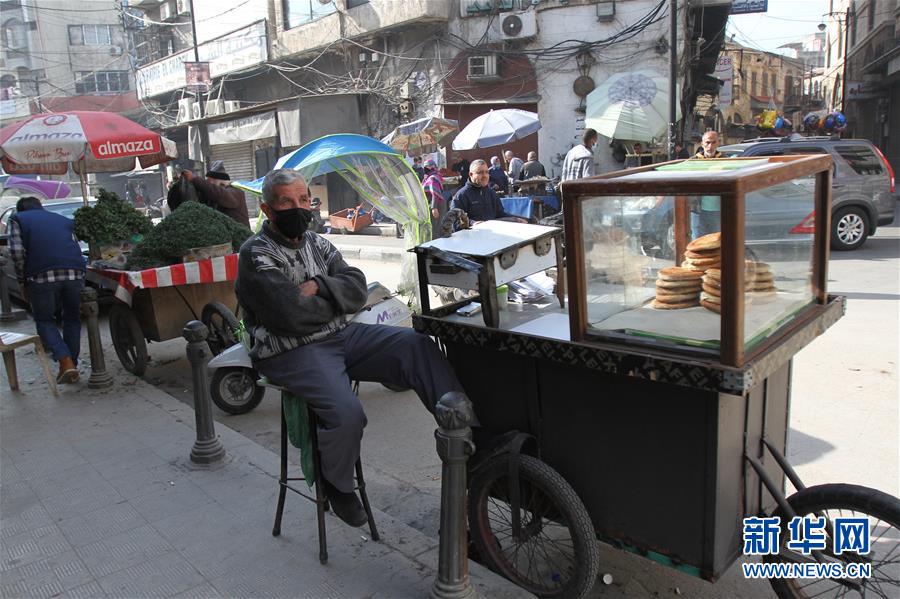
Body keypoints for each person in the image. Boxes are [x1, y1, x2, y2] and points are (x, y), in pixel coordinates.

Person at [235, 169, 466, 527]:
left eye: (303, 200)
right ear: (267, 209)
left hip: (339, 337)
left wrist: (318, 286)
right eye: (286, 202)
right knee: (347, 413)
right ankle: (337, 485)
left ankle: (462, 429)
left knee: (415, 346)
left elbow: (358, 287)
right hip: (290, 351)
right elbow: (289, 316)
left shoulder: (318, 243)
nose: (298, 208)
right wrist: (334, 298)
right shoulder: (256, 254)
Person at [7, 196, 84, 384]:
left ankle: (65, 360)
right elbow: (75, 245)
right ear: (41, 208)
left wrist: (22, 281)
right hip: (75, 272)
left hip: (41, 275)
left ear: (20, 210)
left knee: (44, 320)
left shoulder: (17, 219)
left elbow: (17, 253)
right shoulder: (63, 219)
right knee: (72, 318)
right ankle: (71, 364)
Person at [450, 160, 526, 224]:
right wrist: (472, 223)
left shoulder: (492, 193)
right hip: (471, 238)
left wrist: (515, 219)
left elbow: (500, 214)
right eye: (480, 172)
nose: (485, 176)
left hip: (492, 237)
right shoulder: (461, 196)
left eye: (486, 172)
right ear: (471, 174)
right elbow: (454, 221)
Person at [182, 164, 251, 228]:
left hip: (242, 238)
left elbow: (219, 194)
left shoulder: (235, 191)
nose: (209, 184)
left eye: (210, 182)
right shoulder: (213, 195)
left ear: (219, 182)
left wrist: (195, 179)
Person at [692, 130, 723, 238]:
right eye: (707, 142)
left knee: (716, 241)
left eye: (713, 142)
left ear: (718, 143)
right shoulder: (693, 162)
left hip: (718, 210)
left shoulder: (725, 160)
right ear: (702, 144)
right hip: (697, 210)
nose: (710, 146)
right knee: (698, 242)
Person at [422, 159, 446, 238]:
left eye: (428, 167)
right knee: (434, 227)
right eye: (425, 167)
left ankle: (436, 246)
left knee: (435, 227)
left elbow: (435, 193)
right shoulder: (429, 177)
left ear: (433, 167)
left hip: (436, 205)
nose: (426, 169)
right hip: (433, 204)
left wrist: (434, 208)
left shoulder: (433, 177)